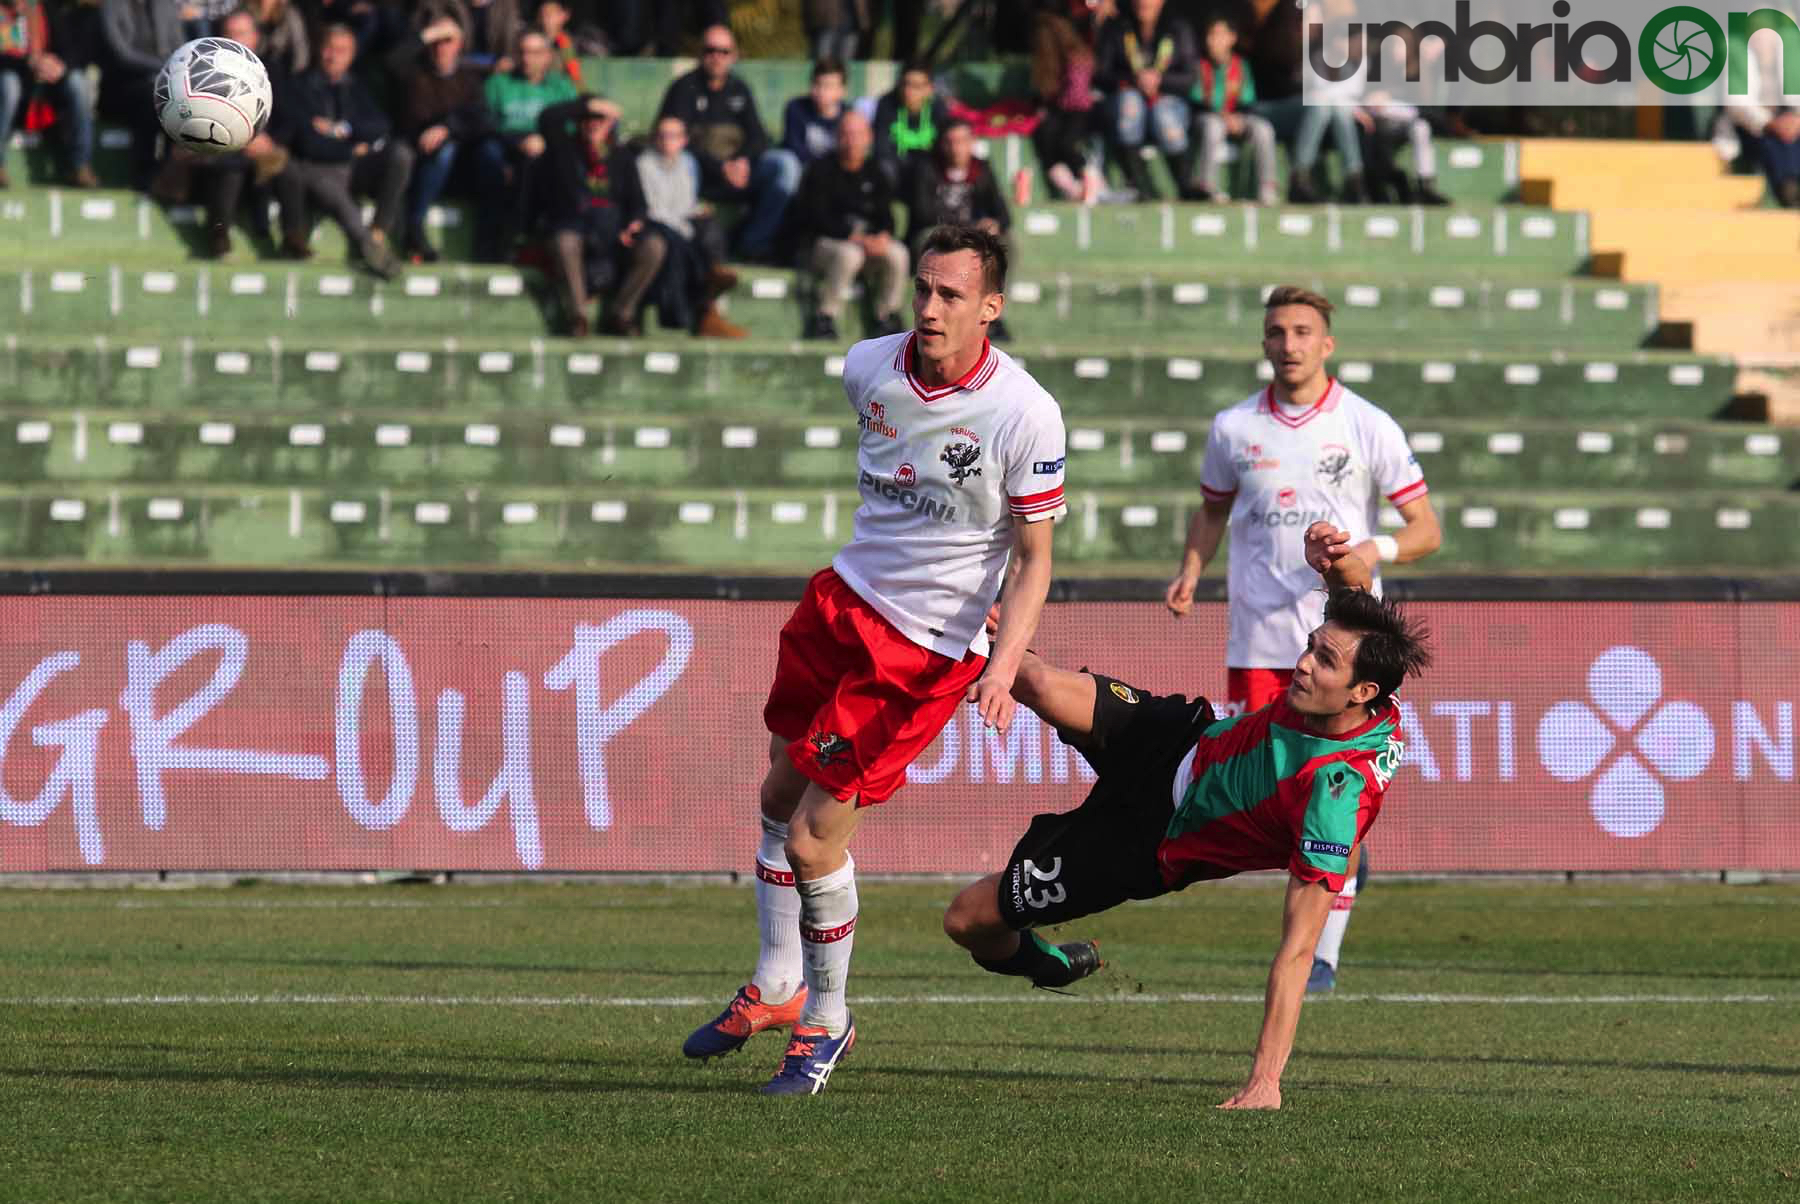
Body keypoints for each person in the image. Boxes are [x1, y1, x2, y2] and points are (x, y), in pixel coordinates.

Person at [682, 223, 1068, 1096]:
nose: (928, 308)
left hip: (925, 649)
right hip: (840, 602)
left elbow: (1035, 557)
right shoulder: (867, 366)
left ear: (991, 309)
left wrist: (1001, 664)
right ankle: (778, 987)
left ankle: (827, 1021)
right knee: (777, 795)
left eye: (951, 295)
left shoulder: (1024, 412)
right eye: (923, 288)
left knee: (817, 839)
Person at [943, 522, 1430, 1110]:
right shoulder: (1365, 678)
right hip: (1177, 738)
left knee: (967, 920)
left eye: (1322, 660)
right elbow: (1356, 596)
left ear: (1360, 693)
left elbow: (1298, 949)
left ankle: (1047, 963)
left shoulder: (1332, 795)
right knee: (1027, 674)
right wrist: (1331, 562)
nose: (1302, 664)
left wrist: (1266, 1081)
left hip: (1149, 841)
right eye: (1310, 645)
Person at [1163, 285, 1441, 992]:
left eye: (1302, 331)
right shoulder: (1233, 428)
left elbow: (1427, 530)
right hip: (1261, 645)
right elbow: (1210, 511)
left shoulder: (1366, 424)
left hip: (1346, 652)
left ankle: (1321, 956)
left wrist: (1375, 550)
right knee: (1267, 796)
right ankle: (1327, 908)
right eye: (1277, 331)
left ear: (1327, 344)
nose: (1288, 343)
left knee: (1333, 795)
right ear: (1264, 342)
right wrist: (1191, 570)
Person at [268, 23, 406, 277]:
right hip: (318, 168)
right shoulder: (298, 86)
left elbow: (379, 126)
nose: (333, 56)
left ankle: (379, 229)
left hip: (354, 168)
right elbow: (307, 142)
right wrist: (352, 149)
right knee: (334, 194)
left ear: (352, 55)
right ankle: (371, 248)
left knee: (401, 154)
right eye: (329, 48)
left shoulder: (358, 86)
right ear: (319, 50)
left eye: (341, 50)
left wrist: (342, 129)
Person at [656, 23, 799, 262]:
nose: (716, 57)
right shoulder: (684, 88)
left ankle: (754, 242)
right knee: (682, 160)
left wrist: (741, 162)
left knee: (786, 164)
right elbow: (672, 142)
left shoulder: (739, 88)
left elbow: (757, 136)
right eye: (710, 50)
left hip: (737, 172)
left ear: (733, 56)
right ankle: (687, 247)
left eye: (724, 52)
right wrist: (719, 167)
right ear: (701, 54)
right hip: (701, 173)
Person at [534, 93, 654, 336]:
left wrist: (634, 223)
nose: (594, 123)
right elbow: (547, 118)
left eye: (601, 118)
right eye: (588, 118)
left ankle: (622, 313)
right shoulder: (565, 149)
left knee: (655, 247)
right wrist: (587, 104)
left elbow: (638, 203)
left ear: (611, 123)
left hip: (613, 229)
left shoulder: (622, 156)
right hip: (575, 225)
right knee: (565, 242)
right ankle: (578, 317)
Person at [788, 109, 908, 342]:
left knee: (898, 253)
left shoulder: (876, 171)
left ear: (869, 137)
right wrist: (856, 237)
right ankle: (825, 317)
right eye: (846, 133)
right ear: (838, 136)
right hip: (825, 245)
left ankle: (887, 316)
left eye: (858, 134)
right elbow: (816, 217)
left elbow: (886, 215)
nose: (852, 140)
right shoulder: (821, 169)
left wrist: (883, 236)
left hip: (866, 244)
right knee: (849, 254)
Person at [390, 17, 504, 261]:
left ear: (459, 44)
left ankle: (489, 241)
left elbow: (482, 120)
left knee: (491, 152)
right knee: (444, 150)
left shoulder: (470, 78)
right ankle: (414, 227)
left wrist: (448, 127)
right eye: (436, 41)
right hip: (423, 156)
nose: (441, 47)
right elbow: (392, 60)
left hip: (463, 163)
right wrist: (428, 33)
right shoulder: (413, 72)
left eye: (447, 41)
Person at [635, 115, 745, 338]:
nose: (667, 141)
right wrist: (685, 225)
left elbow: (686, 202)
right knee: (680, 242)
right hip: (658, 226)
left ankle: (714, 297)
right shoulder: (643, 164)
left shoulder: (689, 163)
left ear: (684, 140)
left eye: (673, 136)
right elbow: (654, 208)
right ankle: (704, 302)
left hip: (682, 223)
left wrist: (694, 213)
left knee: (710, 230)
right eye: (662, 135)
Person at [903, 119, 1012, 341]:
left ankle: (992, 316)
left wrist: (993, 222)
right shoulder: (927, 168)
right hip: (938, 234)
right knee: (929, 237)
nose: (956, 147)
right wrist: (970, 227)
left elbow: (1003, 213)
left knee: (1006, 241)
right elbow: (922, 213)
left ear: (972, 143)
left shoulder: (981, 169)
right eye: (950, 142)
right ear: (941, 144)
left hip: (973, 236)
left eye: (962, 141)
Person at [1093, 0, 1197, 201]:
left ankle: (1185, 184)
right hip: (1126, 103)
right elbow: (1101, 74)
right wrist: (1134, 80)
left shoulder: (1178, 28)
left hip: (1168, 102)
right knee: (1130, 103)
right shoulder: (1117, 27)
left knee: (1163, 112)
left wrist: (1160, 81)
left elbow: (1190, 77)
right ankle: (1140, 185)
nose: (1144, 2)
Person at [484, 29, 576, 252]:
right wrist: (517, 142)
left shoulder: (562, 86)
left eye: (534, 53)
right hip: (508, 146)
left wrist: (546, 140)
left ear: (547, 56)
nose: (526, 58)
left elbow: (572, 127)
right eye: (522, 52)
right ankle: (506, 236)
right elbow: (486, 123)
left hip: (549, 148)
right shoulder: (498, 83)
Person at [0, 0, 97, 188]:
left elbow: (68, 47)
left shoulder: (43, 8)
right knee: (8, 83)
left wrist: (60, 67)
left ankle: (80, 166)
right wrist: (29, 63)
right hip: (13, 83)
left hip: (48, 82)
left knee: (77, 81)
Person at [1185, 16, 1276, 204]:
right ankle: (1207, 186)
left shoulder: (1241, 65)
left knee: (1264, 129)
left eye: (1218, 35)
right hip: (1209, 119)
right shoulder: (1199, 65)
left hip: (1237, 119)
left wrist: (1236, 118)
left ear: (1231, 38)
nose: (1212, 41)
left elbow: (1248, 101)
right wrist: (1222, 116)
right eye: (1210, 35)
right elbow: (1196, 102)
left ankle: (1267, 188)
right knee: (1213, 126)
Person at [1028, 2, 1102, 203]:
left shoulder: (1077, 58)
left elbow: (1077, 99)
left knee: (1067, 143)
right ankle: (1073, 189)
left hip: (1081, 111)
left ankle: (1092, 180)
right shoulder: (1046, 65)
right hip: (1061, 111)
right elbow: (1045, 95)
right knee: (1046, 140)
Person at [870, 61, 947, 191]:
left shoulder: (938, 108)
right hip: (896, 168)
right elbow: (881, 149)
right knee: (884, 168)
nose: (908, 91)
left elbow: (944, 147)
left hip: (927, 170)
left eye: (916, 86)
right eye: (905, 84)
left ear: (929, 89)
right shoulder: (886, 104)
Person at [780, 55, 846, 168]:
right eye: (817, 84)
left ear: (842, 91)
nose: (821, 91)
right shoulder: (796, 108)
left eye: (828, 86)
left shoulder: (849, 116)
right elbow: (795, 149)